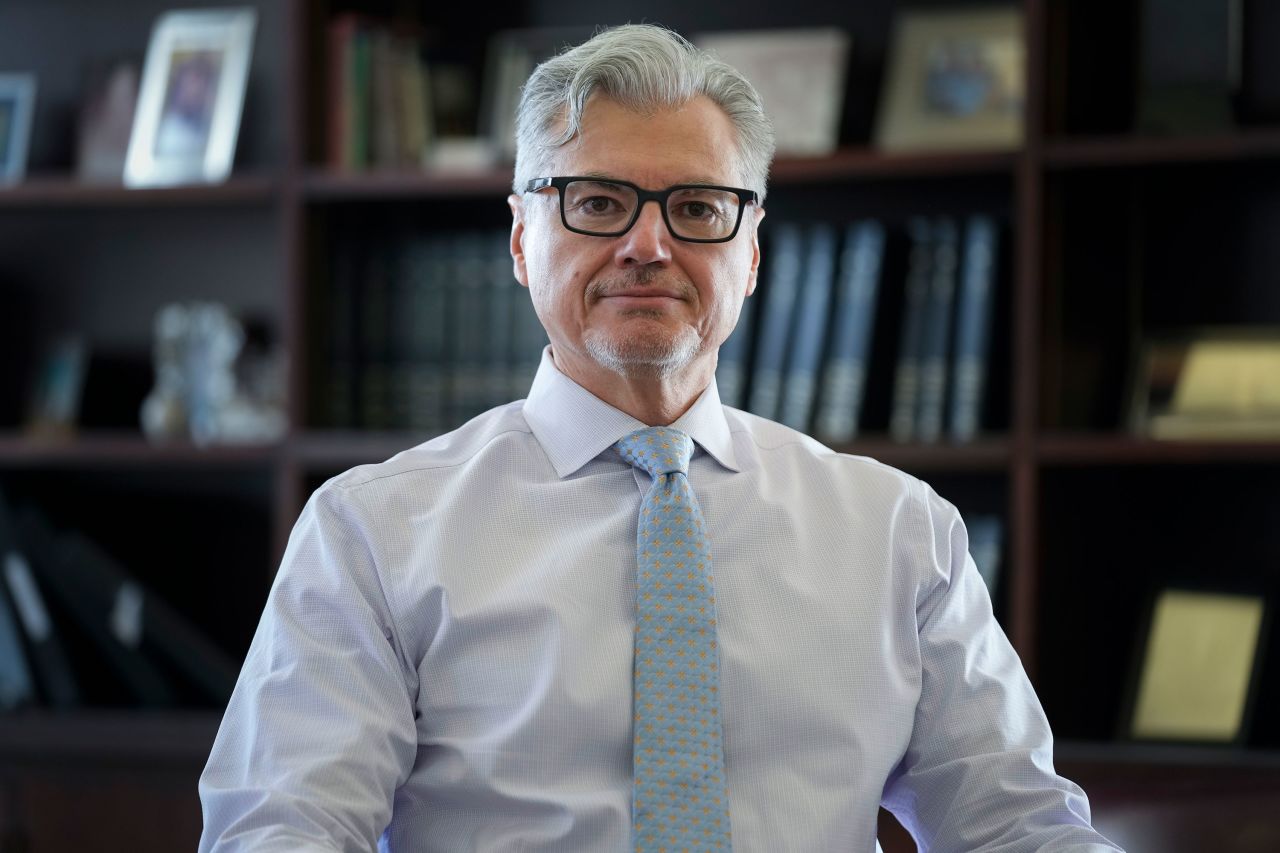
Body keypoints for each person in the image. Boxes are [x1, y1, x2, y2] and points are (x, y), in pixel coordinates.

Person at [199, 24, 1122, 852]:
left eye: (697, 207)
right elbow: (283, 829)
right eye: (597, 203)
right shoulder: (372, 533)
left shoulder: (898, 532)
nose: (648, 245)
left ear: (751, 252)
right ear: (522, 238)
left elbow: (1018, 826)